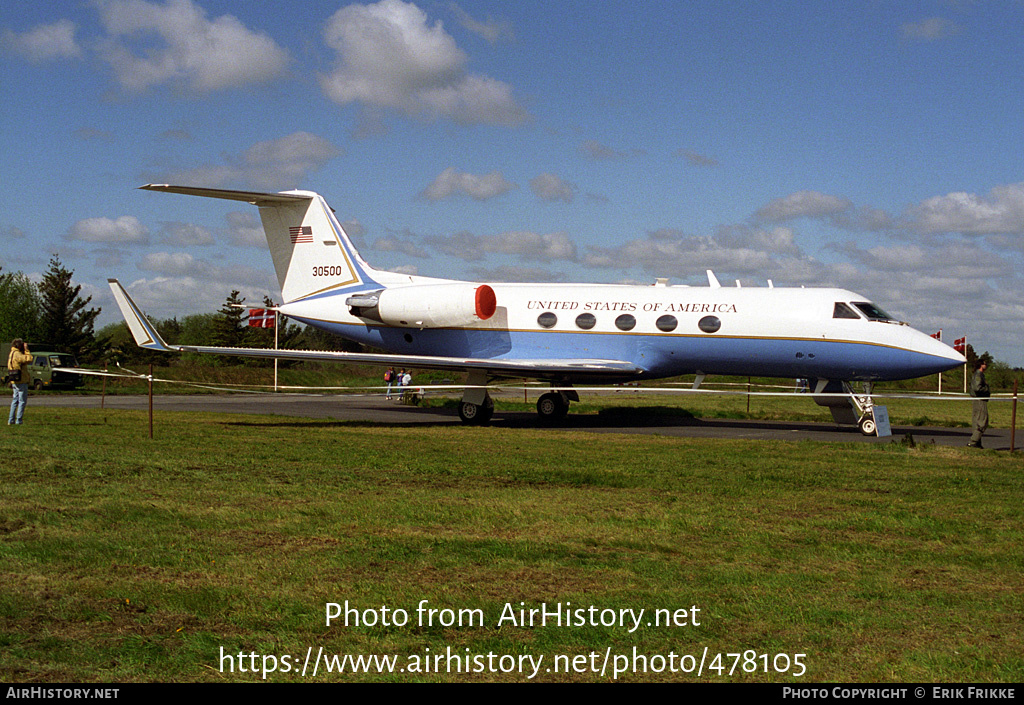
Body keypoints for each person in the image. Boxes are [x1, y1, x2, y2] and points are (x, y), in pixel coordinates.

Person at [7, 339, 32, 426]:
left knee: (15, 400)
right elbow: (29, 359)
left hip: (14, 379)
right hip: (21, 380)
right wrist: (27, 350)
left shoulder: (11, 353)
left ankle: (11, 420)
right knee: (22, 401)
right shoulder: (17, 354)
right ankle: (19, 420)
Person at [968, 361, 990, 448]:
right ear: (981, 365)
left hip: (978, 399)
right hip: (980, 399)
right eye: (984, 363)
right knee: (982, 421)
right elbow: (977, 388)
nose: (986, 365)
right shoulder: (978, 375)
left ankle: (977, 443)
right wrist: (986, 389)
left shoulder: (980, 375)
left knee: (977, 421)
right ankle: (973, 441)